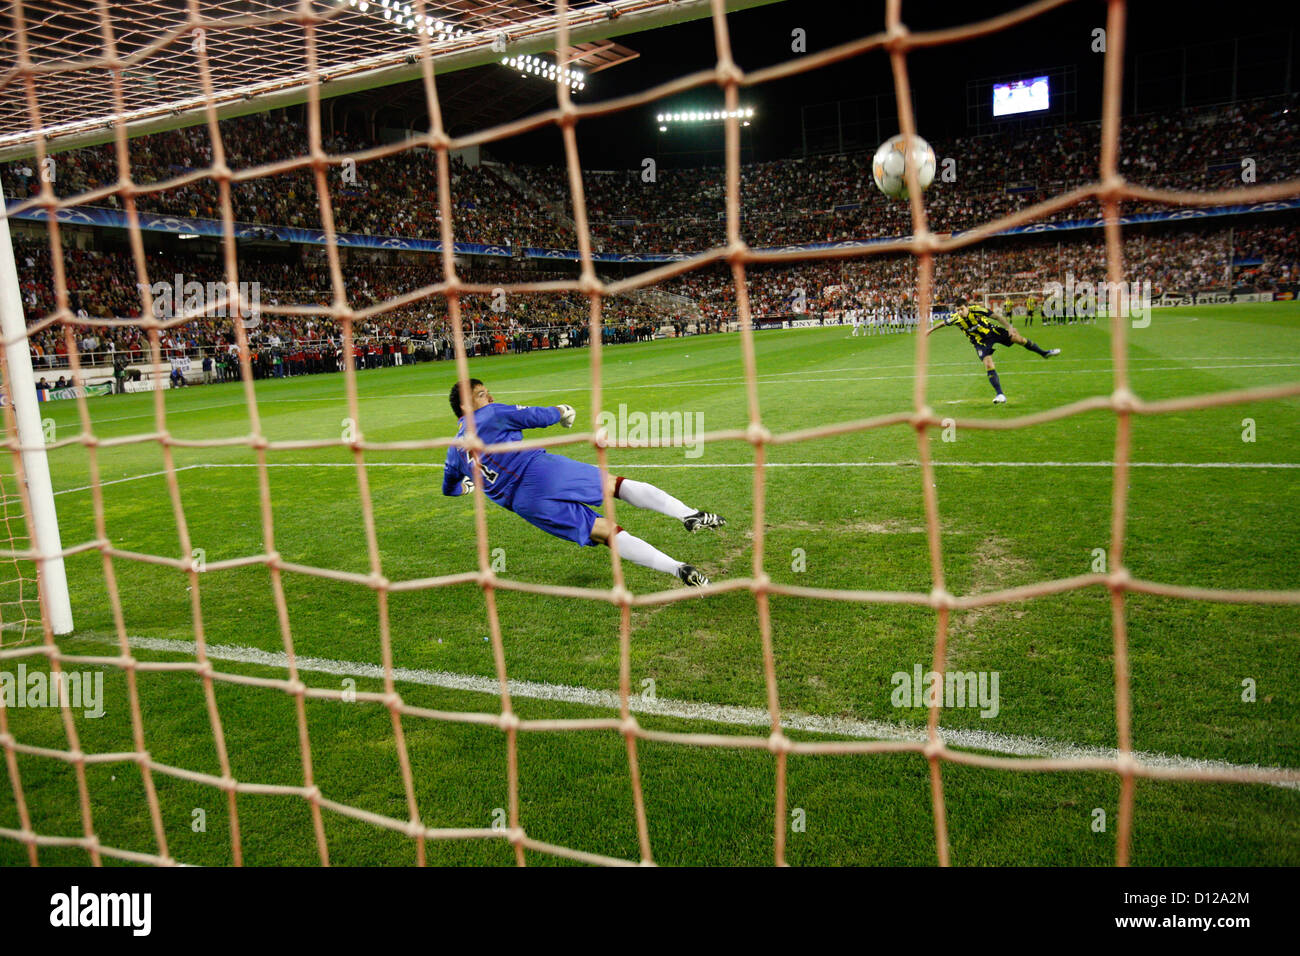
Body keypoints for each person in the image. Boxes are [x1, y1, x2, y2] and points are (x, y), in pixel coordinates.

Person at [442, 379, 724, 587]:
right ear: (466, 405)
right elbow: (536, 416)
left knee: (605, 533)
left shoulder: (452, 451)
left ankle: (679, 570)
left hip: (526, 505)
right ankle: (688, 514)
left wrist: (467, 486)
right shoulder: (488, 414)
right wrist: (562, 410)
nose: (490, 396)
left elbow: (448, 488)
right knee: (614, 485)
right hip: (539, 471)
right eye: (481, 394)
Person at [928, 296, 1060, 404]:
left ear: (967, 307)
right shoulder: (956, 318)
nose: (959, 312)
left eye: (961, 309)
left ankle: (1044, 353)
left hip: (993, 331)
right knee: (988, 364)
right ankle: (1000, 394)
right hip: (980, 342)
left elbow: (996, 316)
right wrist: (930, 330)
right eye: (957, 310)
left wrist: (1009, 327)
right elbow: (942, 323)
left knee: (1019, 339)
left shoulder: (977, 310)